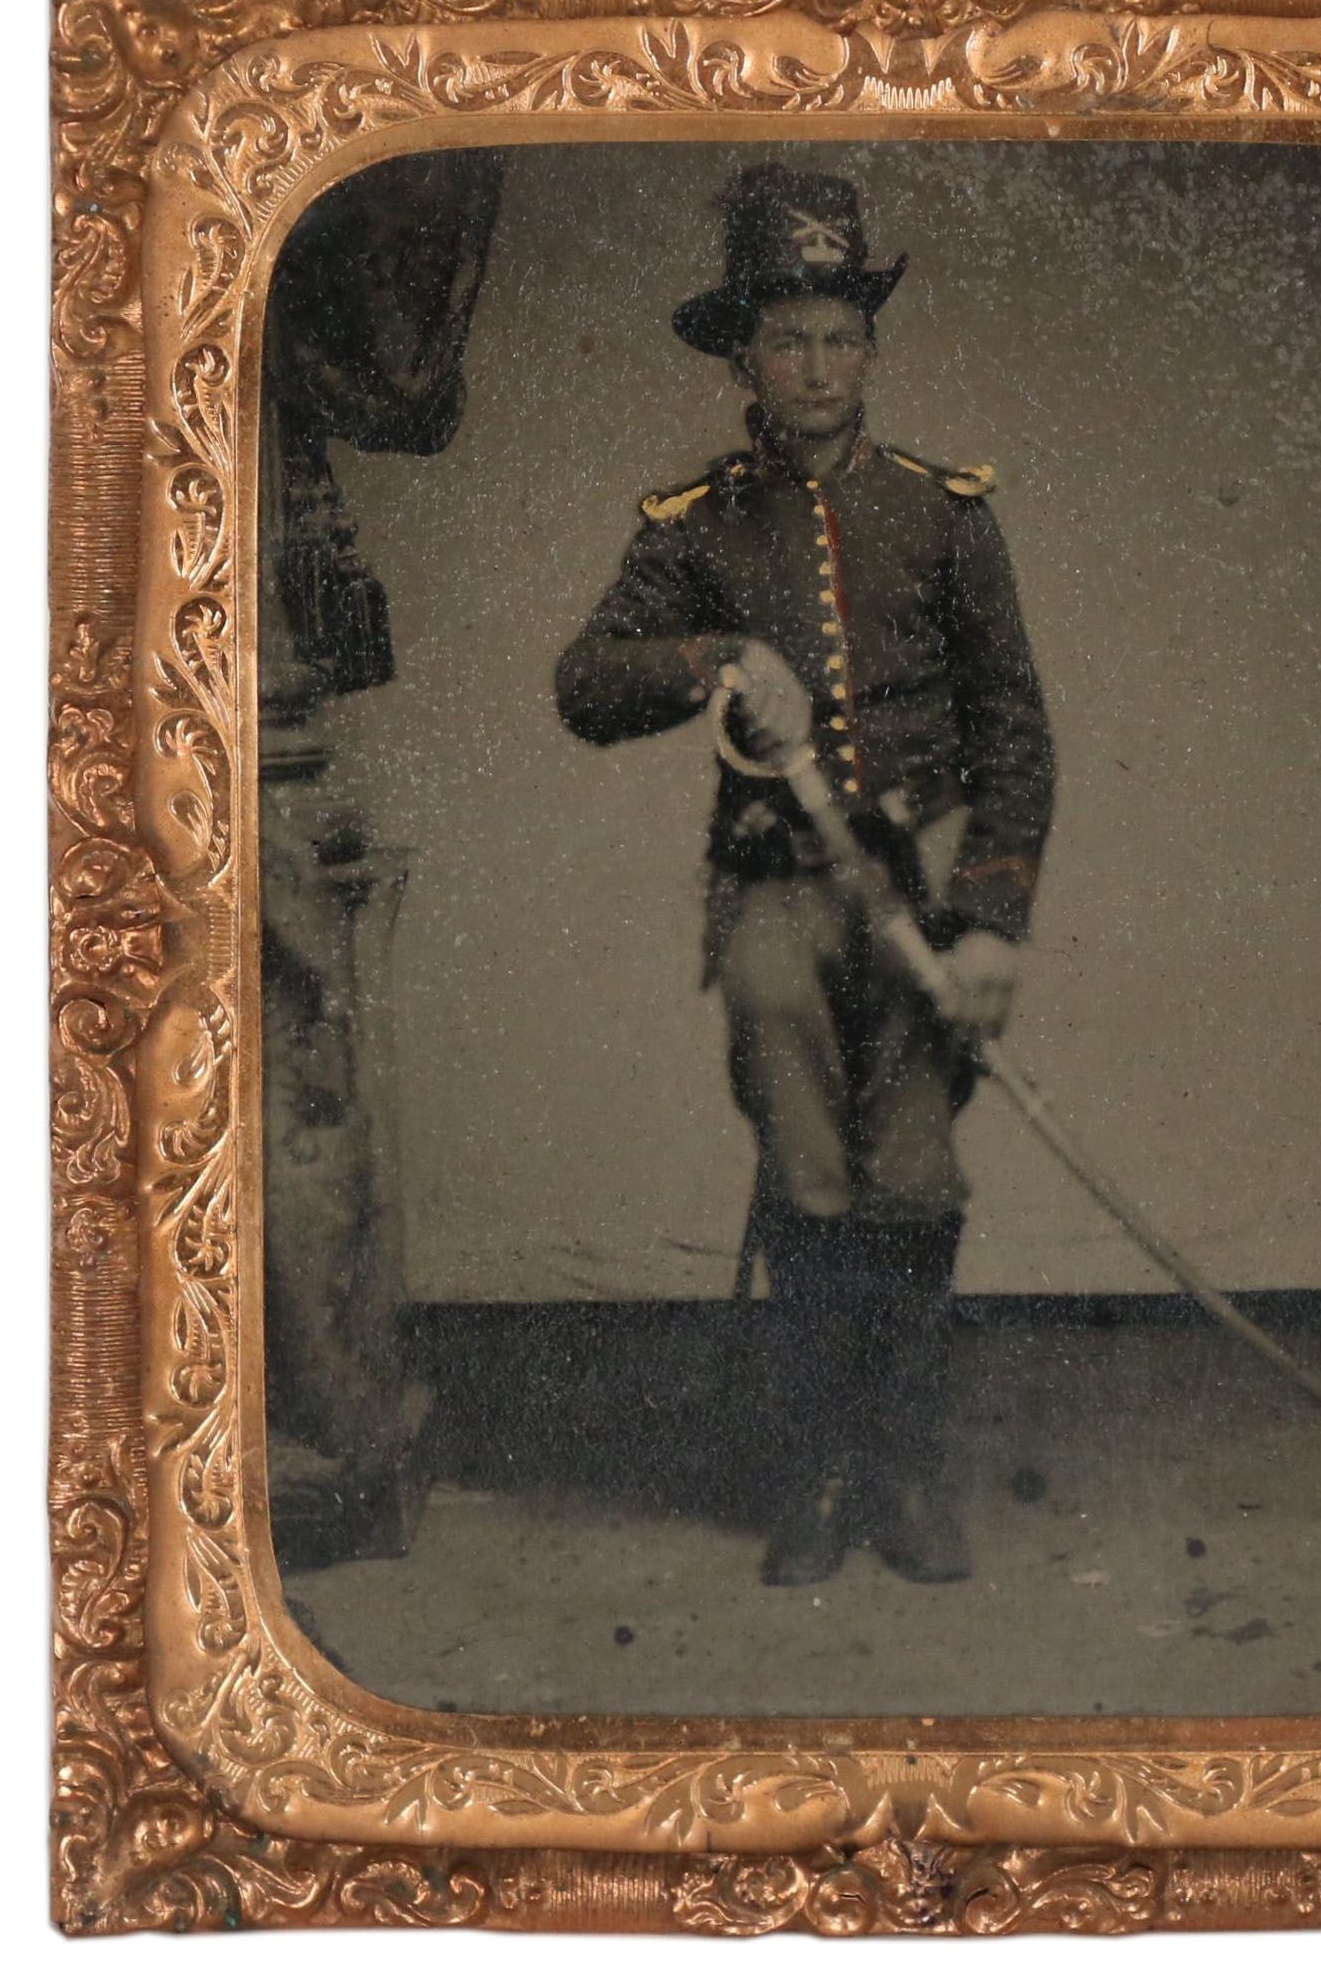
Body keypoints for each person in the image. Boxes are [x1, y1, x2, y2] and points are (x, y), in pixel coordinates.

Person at [554, 165, 1055, 1586]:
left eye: (842, 336)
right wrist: (716, 658)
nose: (818, 367)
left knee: (910, 1167)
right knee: (809, 1171)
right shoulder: (697, 524)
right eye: (788, 340)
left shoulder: (945, 514)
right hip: (773, 890)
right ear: (742, 360)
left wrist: (996, 926)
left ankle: (901, 1464)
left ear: (870, 352)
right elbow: (583, 681)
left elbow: (1016, 729)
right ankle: (822, 1468)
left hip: (925, 890)